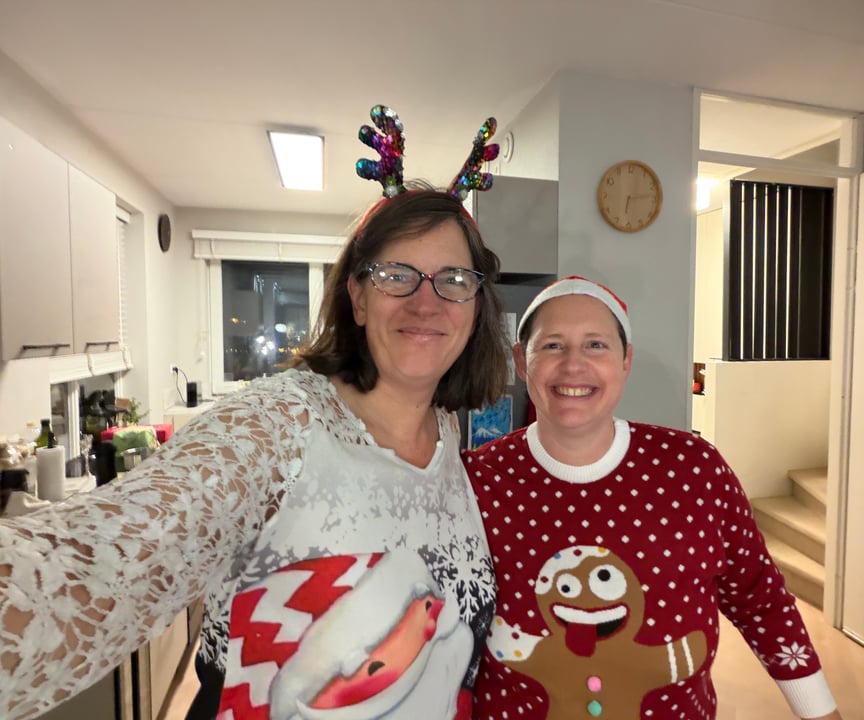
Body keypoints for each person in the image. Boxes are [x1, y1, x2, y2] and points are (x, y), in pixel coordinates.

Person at [0, 106, 508, 720]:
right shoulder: (275, 426)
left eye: (453, 278)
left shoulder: (449, 435)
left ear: (475, 304)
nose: (427, 301)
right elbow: (93, 564)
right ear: (357, 297)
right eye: (398, 275)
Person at [464, 276, 843, 720]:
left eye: (596, 345)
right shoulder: (479, 477)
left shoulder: (695, 469)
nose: (572, 366)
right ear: (521, 362)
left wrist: (818, 710)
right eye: (551, 346)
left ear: (626, 361)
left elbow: (758, 596)